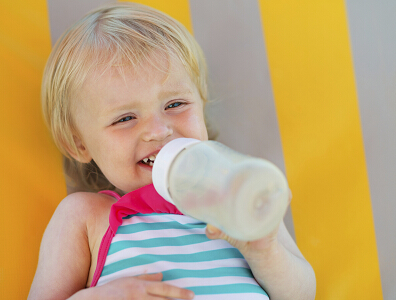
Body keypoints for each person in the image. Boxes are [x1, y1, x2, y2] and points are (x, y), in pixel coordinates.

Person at [28, 2, 316, 299]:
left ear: (201, 104)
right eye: (125, 118)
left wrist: (265, 250)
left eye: (175, 104)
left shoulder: (240, 191)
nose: (159, 130)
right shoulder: (85, 216)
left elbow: (302, 294)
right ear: (79, 144)